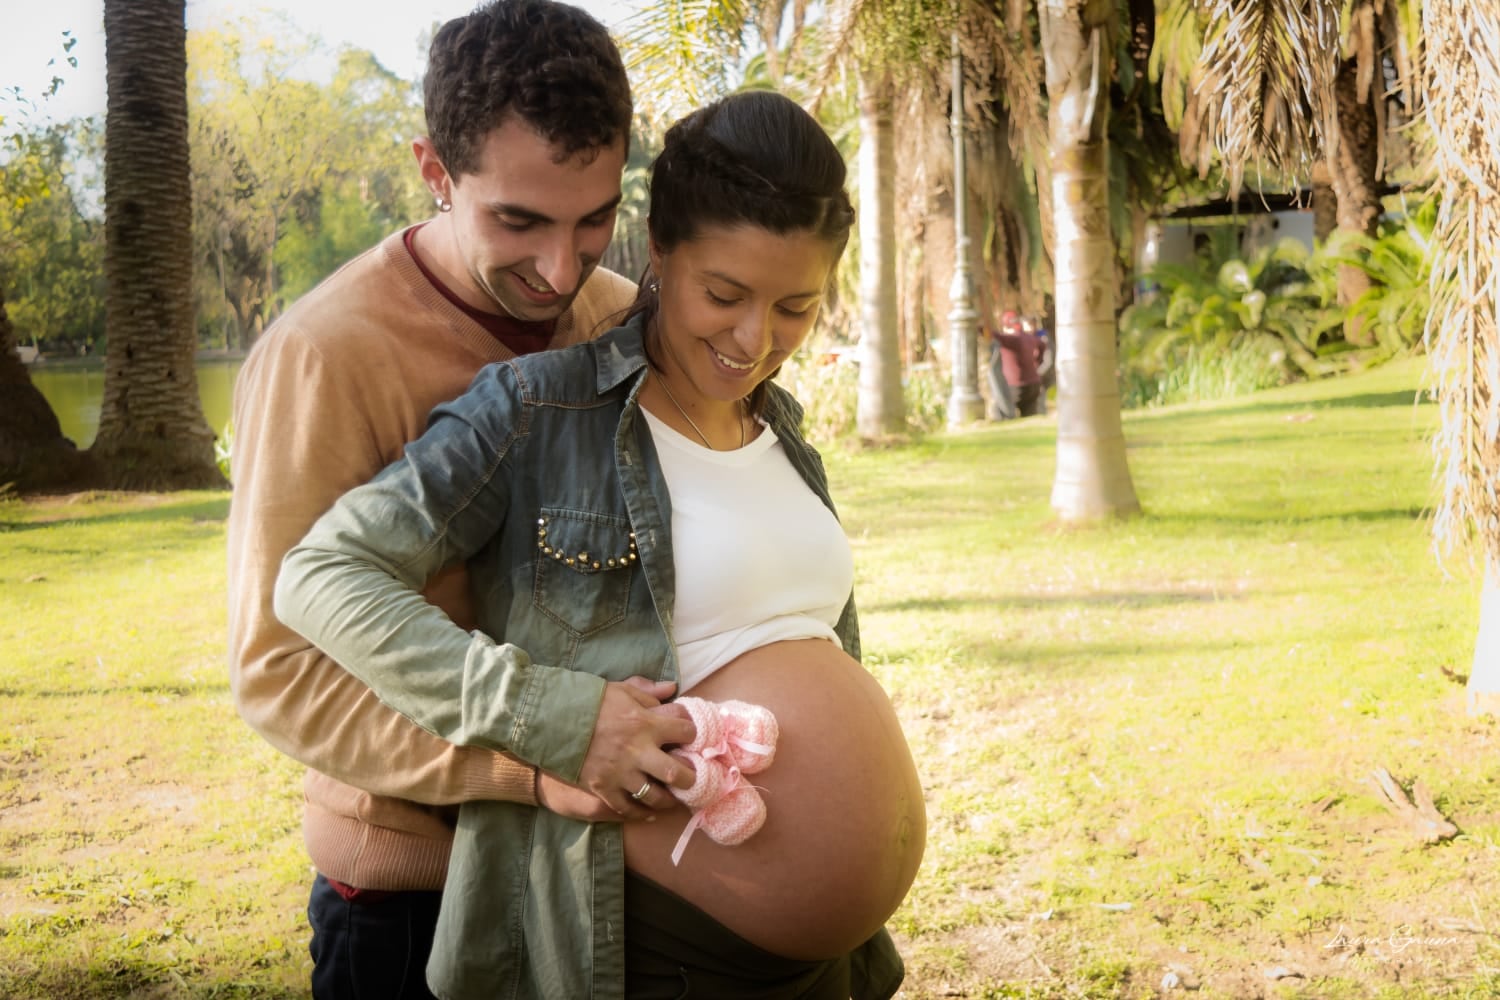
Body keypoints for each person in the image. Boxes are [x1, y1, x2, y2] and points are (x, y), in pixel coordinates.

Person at [274, 90, 925, 1000]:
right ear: (660, 247)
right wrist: (554, 717)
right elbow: (323, 576)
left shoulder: (785, 438)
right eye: (725, 294)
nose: (754, 340)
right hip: (634, 947)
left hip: (827, 968)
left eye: (795, 307)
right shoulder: (536, 412)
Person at [224, 4, 689, 998]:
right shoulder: (321, 354)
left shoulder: (619, 320)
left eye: (595, 218)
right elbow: (276, 670)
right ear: (435, 171)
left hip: (607, 877)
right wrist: (526, 766)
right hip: (408, 904)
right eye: (518, 221)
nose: (564, 271)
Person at [990, 310, 1044, 418]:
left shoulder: (1012, 339)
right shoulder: (1029, 338)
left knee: (1002, 410)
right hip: (1034, 384)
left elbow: (994, 334)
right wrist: (1037, 361)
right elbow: (1042, 345)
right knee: (1029, 416)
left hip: (1017, 387)